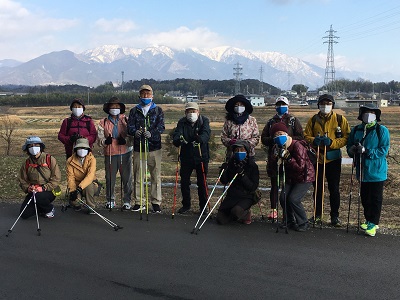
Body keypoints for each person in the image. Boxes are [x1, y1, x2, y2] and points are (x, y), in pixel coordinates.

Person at [304, 94, 350, 226]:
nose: (325, 106)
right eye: (323, 103)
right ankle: (317, 215)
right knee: (318, 188)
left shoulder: (340, 120)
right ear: (318, 105)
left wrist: (332, 142)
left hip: (333, 159)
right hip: (317, 158)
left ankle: (335, 216)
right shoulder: (313, 120)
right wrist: (314, 141)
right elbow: (306, 136)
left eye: (328, 103)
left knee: (334, 188)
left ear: (333, 105)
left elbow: (346, 137)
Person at [346, 104, 390, 237]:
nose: (369, 114)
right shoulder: (356, 130)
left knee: (375, 198)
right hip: (362, 170)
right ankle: (368, 219)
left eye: (372, 112)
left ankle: (373, 223)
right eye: (366, 112)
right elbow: (349, 145)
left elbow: (383, 150)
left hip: (376, 170)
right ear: (362, 115)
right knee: (365, 197)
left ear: (376, 115)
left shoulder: (381, 130)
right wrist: (352, 150)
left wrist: (367, 151)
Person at [261, 96, 304, 220]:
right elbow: (264, 138)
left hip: (289, 155)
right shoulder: (271, 122)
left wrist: (288, 140)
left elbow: (301, 137)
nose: (280, 107)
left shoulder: (293, 120)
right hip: (274, 156)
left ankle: (287, 212)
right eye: (278, 104)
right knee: (274, 184)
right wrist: (275, 140)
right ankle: (273, 210)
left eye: (283, 104)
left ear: (287, 106)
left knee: (287, 183)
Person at [269, 123, 315, 231]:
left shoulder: (296, 145)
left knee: (293, 199)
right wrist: (274, 158)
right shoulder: (276, 148)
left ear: (286, 133)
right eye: (276, 135)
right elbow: (273, 166)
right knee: (283, 198)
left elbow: (301, 166)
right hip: (290, 176)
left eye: (281, 133)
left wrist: (289, 159)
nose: (279, 136)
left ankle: (303, 222)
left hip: (304, 176)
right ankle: (289, 221)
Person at [127, 84, 165, 213]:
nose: (145, 96)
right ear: (139, 95)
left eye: (148, 94)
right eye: (143, 94)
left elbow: (161, 127)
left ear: (152, 96)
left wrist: (152, 133)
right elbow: (130, 127)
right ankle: (139, 202)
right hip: (139, 148)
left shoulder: (158, 110)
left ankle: (156, 202)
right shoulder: (134, 111)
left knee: (155, 175)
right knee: (138, 175)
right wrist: (135, 132)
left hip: (154, 147)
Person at [172, 102, 211, 214]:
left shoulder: (204, 121)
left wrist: (201, 139)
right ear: (185, 113)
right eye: (189, 111)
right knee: (184, 182)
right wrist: (177, 140)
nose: (191, 113)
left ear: (198, 112)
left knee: (202, 183)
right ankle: (186, 205)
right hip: (186, 156)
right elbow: (177, 134)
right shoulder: (182, 122)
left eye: (193, 111)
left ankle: (203, 207)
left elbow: (206, 133)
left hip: (201, 156)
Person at [98, 96, 133, 210]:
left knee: (127, 178)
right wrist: (105, 141)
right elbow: (99, 140)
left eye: (117, 106)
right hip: (110, 153)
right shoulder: (103, 122)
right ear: (108, 108)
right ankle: (110, 200)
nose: (114, 108)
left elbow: (131, 136)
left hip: (125, 152)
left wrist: (126, 141)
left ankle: (127, 201)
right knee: (110, 178)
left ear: (120, 108)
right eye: (112, 106)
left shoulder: (126, 120)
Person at [17, 136, 61, 219]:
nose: (33, 148)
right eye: (30, 146)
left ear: (41, 147)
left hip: (48, 190)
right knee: (24, 214)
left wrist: (43, 188)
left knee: (39, 197)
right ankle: (41, 208)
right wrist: (28, 188)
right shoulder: (26, 163)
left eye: (36, 145)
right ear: (27, 149)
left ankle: (49, 209)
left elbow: (56, 178)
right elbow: (22, 180)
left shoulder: (49, 159)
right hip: (34, 191)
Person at [217, 140, 259, 225]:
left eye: (242, 150)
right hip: (232, 195)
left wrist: (243, 175)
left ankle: (245, 213)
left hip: (246, 196)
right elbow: (224, 181)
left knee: (236, 211)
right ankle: (233, 215)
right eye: (236, 150)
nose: (239, 152)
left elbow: (253, 187)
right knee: (220, 219)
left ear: (246, 151)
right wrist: (223, 170)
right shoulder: (232, 163)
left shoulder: (252, 165)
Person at [221, 94, 259, 162]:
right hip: (232, 154)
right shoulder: (229, 121)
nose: (239, 107)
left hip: (248, 154)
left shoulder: (252, 120)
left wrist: (245, 144)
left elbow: (256, 137)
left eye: (241, 105)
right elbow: (223, 137)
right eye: (236, 105)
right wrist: (230, 142)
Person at [66, 138, 98, 213]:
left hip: (90, 184)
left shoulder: (92, 159)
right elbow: (70, 177)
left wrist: (80, 188)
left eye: (84, 148)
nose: (82, 150)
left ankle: (91, 207)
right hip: (76, 185)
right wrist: (73, 190)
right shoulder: (70, 160)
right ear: (76, 149)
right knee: (74, 201)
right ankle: (77, 205)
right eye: (80, 148)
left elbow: (90, 176)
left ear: (88, 149)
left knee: (88, 187)